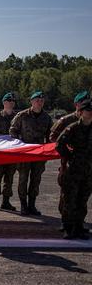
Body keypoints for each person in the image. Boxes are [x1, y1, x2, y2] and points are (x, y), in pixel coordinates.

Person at [50, 90, 91, 233]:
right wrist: (69, 156)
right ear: (78, 108)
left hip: (88, 169)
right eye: (87, 109)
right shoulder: (69, 124)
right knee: (68, 196)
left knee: (82, 198)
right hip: (71, 167)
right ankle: (66, 224)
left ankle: (78, 225)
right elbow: (55, 140)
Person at [9, 91, 53, 216]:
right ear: (32, 102)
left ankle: (32, 205)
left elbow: (51, 135)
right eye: (37, 100)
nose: (39, 103)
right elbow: (13, 131)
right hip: (25, 153)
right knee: (23, 179)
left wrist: (48, 150)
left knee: (36, 180)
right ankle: (23, 205)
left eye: (42, 101)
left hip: (39, 154)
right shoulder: (22, 115)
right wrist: (19, 145)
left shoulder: (46, 118)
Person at [0, 92, 18, 211]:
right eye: (8, 101)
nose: (10, 103)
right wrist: (4, 137)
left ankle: (6, 201)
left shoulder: (17, 117)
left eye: (12, 101)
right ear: (4, 103)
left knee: (9, 178)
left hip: (12, 152)